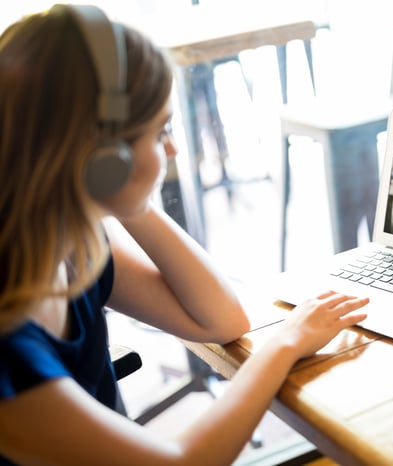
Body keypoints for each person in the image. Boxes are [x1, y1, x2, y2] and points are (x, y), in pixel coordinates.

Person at [0, 5, 369, 465]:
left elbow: (220, 319)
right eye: (159, 132)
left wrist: (129, 197)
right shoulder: (10, 346)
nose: (172, 150)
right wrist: (286, 343)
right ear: (102, 157)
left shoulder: (72, 246)